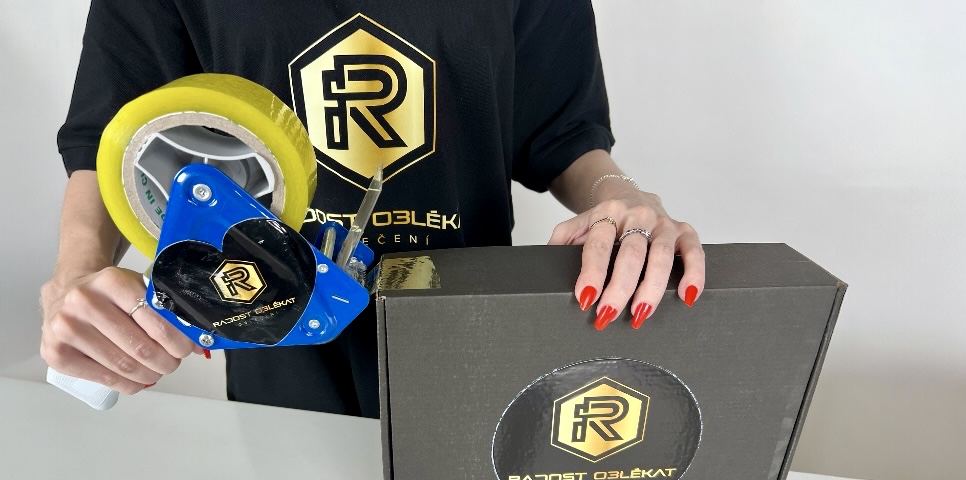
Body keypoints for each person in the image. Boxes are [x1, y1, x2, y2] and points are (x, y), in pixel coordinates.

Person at [40, 0, 705, 417]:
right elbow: (113, 139)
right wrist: (78, 274)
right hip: (278, 348)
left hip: (466, 341)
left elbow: (564, 133)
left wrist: (622, 199)